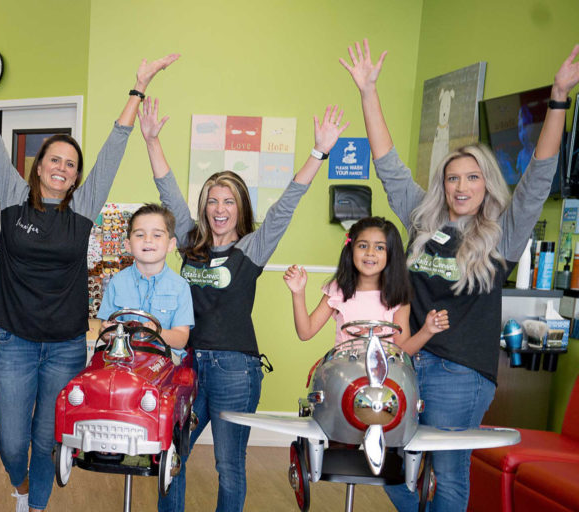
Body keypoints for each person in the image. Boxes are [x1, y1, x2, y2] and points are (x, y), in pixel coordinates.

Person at [0, 32, 178, 512]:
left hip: (65, 346)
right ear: (38, 165)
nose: (63, 168)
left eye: (71, 164)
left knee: (48, 438)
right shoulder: (11, 198)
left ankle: (35, 507)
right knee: (10, 443)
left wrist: (138, 87)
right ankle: (20, 488)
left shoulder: (83, 209)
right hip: (14, 343)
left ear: (76, 175)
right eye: (55, 160)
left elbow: (114, 147)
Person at [340, 38, 579, 511]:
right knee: (388, 464)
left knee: (448, 473)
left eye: (472, 177)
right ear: (443, 184)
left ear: (486, 183)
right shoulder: (423, 220)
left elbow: (537, 177)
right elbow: (388, 165)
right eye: (453, 177)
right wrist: (368, 91)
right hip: (409, 362)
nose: (461, 186)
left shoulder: (502, 236)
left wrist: (558, 99)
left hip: (461, 373)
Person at [141, 97, 346, 511]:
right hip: (189, 363)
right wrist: (151, 140)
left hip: (236, 369)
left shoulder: (252, 249)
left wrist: (318, 151)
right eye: (213, 201)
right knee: (171, 452)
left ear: (240, 209)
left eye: (229, 201)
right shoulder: (190, 243)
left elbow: (287, 203)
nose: (220, 209)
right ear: (204, 207)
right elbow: (167, 187)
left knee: (228, 465)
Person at [283, 216, 447, 352]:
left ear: (391, 254)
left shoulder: (398, 297)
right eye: (363, 246)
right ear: (351, 249)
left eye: (380, 248)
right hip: (344, 379)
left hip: (384, 381)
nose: (370, 253)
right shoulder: (338, 289)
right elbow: (305, 332)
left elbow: (402, 350)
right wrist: (298, 293)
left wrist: (427, 331)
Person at [96, 203, 193, 359]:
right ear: (128, 244)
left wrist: (157, 333)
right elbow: (105, 333)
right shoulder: (117, 283)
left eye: (157, 235)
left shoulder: (180, 287)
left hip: (164, 363)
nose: (148, 240)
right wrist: (107, 332)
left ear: (170, 244)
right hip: (124, 360)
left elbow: (181, 339)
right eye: (140, 235)